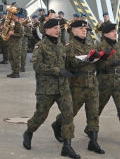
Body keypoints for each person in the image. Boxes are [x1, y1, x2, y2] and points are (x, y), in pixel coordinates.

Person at [23, 19, 80, 159]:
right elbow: (37, 66)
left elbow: (66, 64)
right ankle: (29, 131)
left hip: (63, 87)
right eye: (54, 28)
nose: (57, 30)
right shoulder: (40, 46)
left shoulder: (61, 46)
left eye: (58, 28)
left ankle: (67, 146)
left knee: (68, 114)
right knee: (41, 115)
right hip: (46, 88)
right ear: (46, 30)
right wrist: (57, 71)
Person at [53, 20, 105, 155]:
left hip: (92, 83)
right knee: (72, 112)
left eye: (85, 29)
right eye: (81, 28)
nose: (84, 30)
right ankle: (57, 124)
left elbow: (97, 64)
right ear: (73, 31)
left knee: (93, 113)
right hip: (77, 84)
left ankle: (93, 141)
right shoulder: (69, 46)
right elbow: (69, 62)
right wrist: (87, 58)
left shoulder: (91, 44)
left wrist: (101, 58)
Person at [85, 23, 120, 146]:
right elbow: (96, 65)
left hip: (117, 81)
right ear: (105, 34)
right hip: (104, 81)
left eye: (115, 31)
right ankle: (90, 127)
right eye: (112, 31)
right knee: (97, 107)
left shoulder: (118, 45)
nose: (115, 33)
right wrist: (111, 63)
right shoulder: (99, 47)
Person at [6, 13, 23, 78]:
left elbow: (21, 35)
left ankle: (17, 72)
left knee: (16, 59)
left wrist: (13, 34)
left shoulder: (19, 24)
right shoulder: (12, 24)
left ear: (16, 16)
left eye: (12, 16)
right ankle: (13, 71)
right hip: (11, 43)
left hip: (16, 44)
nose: (11, 17)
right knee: (11, 58)